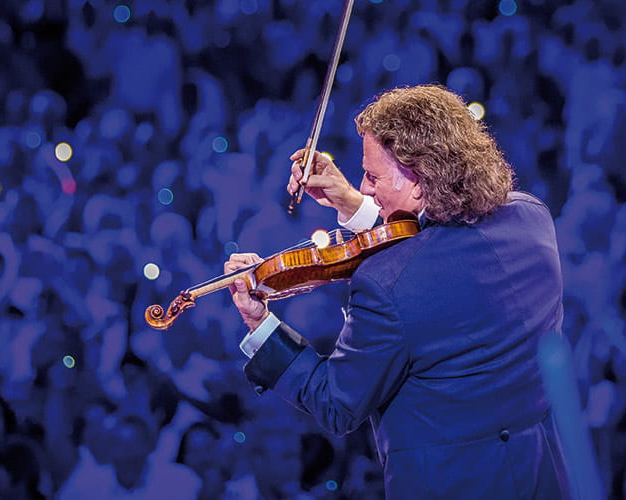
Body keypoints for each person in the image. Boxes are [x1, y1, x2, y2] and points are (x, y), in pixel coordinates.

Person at [224, 85, 570, 499]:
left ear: (421, 180)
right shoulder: (531, 219)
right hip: (540, 478)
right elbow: (436, 251)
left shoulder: (385, 284)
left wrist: (261, 325)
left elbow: (337, 404)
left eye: (372, 177)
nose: (365, 187)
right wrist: (351, 204)